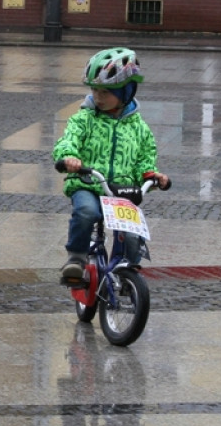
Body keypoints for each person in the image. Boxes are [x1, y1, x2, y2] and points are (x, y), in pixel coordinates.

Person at [52, 47, 170, 285]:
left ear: (126, 92)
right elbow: (69, 139)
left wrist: (150, 174)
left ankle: (128, 272)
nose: (98, 97)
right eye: (94, 90)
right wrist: (69, 158)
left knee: (132, 232)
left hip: (121, 189)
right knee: (87, 213)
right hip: (88, 183)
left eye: (105, 92)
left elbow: (145, 157)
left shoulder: (139, 128)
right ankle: (76, 258)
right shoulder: (83, 119)